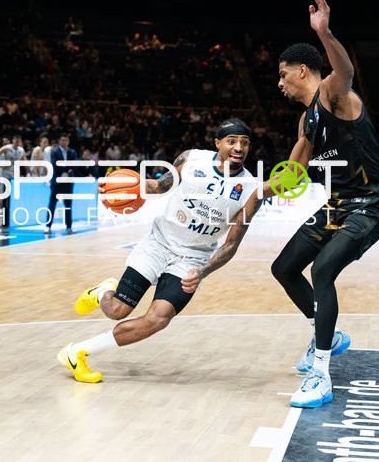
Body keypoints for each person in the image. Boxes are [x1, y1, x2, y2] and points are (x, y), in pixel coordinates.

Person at [270, 0, 379, 408]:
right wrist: (242, 196)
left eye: (283, 75)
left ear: (303, 70)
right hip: (340, 204)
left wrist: (324, 33)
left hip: (376, 200)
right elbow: (289, 175)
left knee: (323, 269)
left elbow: (344, 70)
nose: (280, 83)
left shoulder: (333, 93)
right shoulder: (306, 122)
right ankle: (328, 332)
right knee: (284, 268)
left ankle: (321, 374)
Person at [58, 118, 262, 383]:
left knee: (159, 319)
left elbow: (231, 243)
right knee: (117, 310)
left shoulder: (251, 190)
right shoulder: (192, 159)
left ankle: (77, 353)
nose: (238, 148)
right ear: (217, 143)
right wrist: (114, 189)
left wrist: (203, 271)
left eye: (244, 143)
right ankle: (102, 293)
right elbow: (158, 186)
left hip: (193, 258)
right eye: (231, 141)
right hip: (159, 243)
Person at [0, 135, 25, 228]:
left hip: (15, 176)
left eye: (18, 140)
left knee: (13, 199)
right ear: (13, 140)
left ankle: (11, 219)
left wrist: (30, 173)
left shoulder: (21, 150)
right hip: (6, 176)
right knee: (5, 199)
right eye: (15, 140)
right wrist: (1, 165)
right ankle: (4, 220)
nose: (17, 142)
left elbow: (24, 161)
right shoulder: (7, 148)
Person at [46, 134, 78, 233]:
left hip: (68, 183)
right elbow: (56, 165)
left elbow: (75, 165)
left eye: (66, 140)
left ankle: (69, 226)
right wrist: (68, 168)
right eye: (62, 140)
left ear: (68, 141)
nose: (64, 142)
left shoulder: (72, 152)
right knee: (52, 204)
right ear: (59, 141)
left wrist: (66, 168)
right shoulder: (54, 152)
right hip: (57, 182)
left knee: (68, 205)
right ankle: (48, 226)